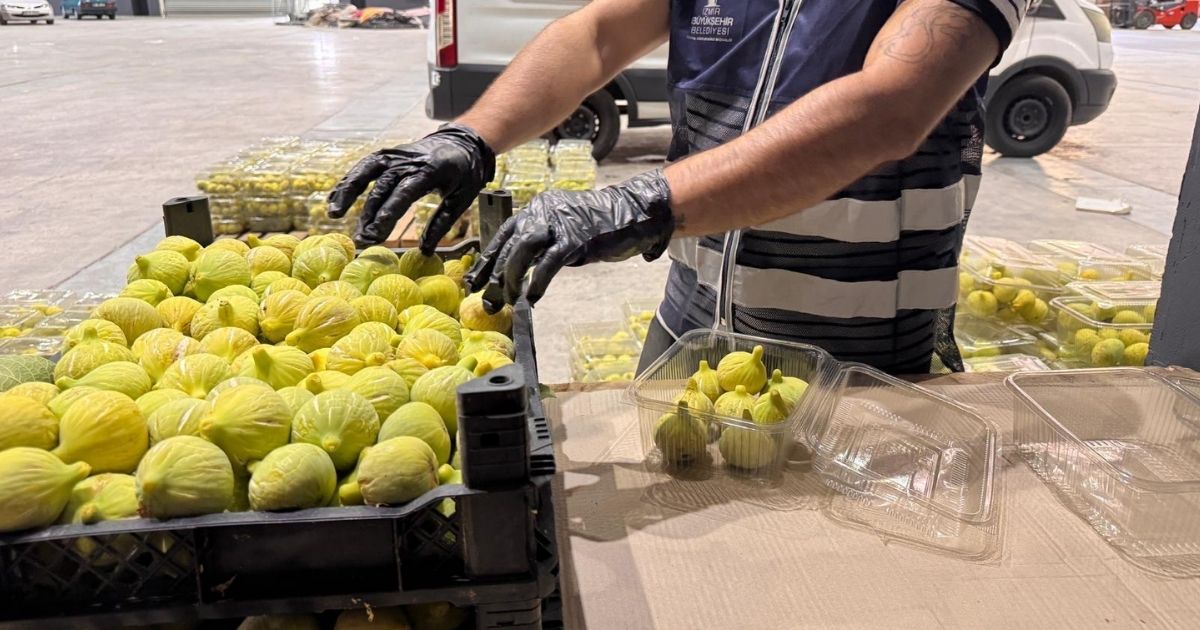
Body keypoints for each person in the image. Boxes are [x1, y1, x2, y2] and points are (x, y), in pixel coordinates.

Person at [328, 0, 1030, 375]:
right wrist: (471, 136)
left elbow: (890, 106)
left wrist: (642, 201)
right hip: (688, 323)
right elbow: (598, 35)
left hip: (862, 355)